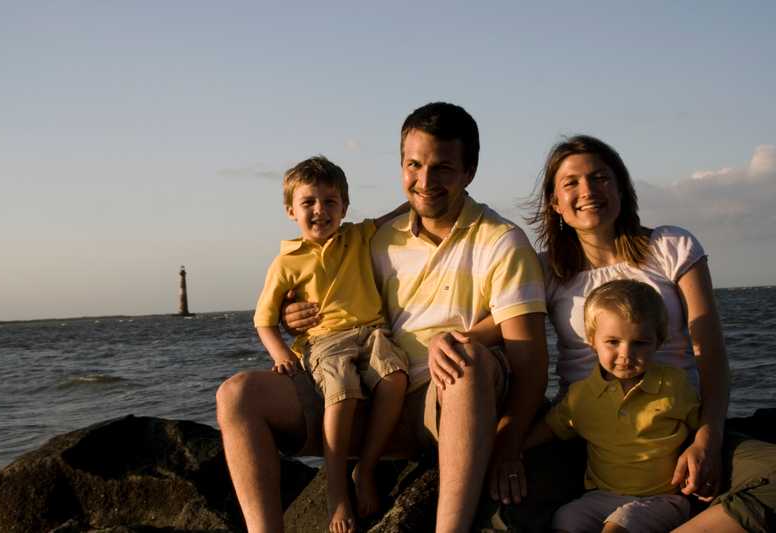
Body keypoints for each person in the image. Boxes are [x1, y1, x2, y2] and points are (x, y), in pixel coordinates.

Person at [220, 101, 549, 533]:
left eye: (443, 168)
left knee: (466, 364)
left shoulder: (501, 242)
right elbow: (325, 285)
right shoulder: (376, 239)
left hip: (442, 406)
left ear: (469, 172)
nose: (425, 181)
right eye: (414, 165)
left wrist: (509, 444)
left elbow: (531, 361)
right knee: (238, 394)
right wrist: (291, 314)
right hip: (366, 395)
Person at [525, 134, 776, 532]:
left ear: (622, 187)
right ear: (555, 203)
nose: (587, 190)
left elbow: (710, 352)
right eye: (571, 182)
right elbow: (504, 325)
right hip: (590, 435)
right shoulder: (546, 271)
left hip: (677, 426)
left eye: (600, 177)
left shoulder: (670, 246)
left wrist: (705, 441)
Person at [253, 156, 410, 532]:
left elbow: (395, 214)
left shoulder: (357, 236)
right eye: (309, 202)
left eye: (330, 201)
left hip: (372, 332)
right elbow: (264, 320)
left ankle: (366, 468)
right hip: (325, 341)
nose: (320, 211)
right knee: (342, 394)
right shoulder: (286, 262)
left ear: (344, 207)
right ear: (291, 210)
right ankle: (336, 490)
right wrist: (280, 355)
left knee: (396, 378)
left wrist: (421, 196)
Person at [524, 279, 701, 532]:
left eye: (640, 343)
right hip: (602, 496)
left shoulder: (674, 384)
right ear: (592, 340)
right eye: (613, 342)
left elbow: (700, 424)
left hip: (662, 499)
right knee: (566, 519)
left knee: (618, 526)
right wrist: (510, 451)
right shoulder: (581, 395)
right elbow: (552, 427)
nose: (626, 354)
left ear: (658, 342)